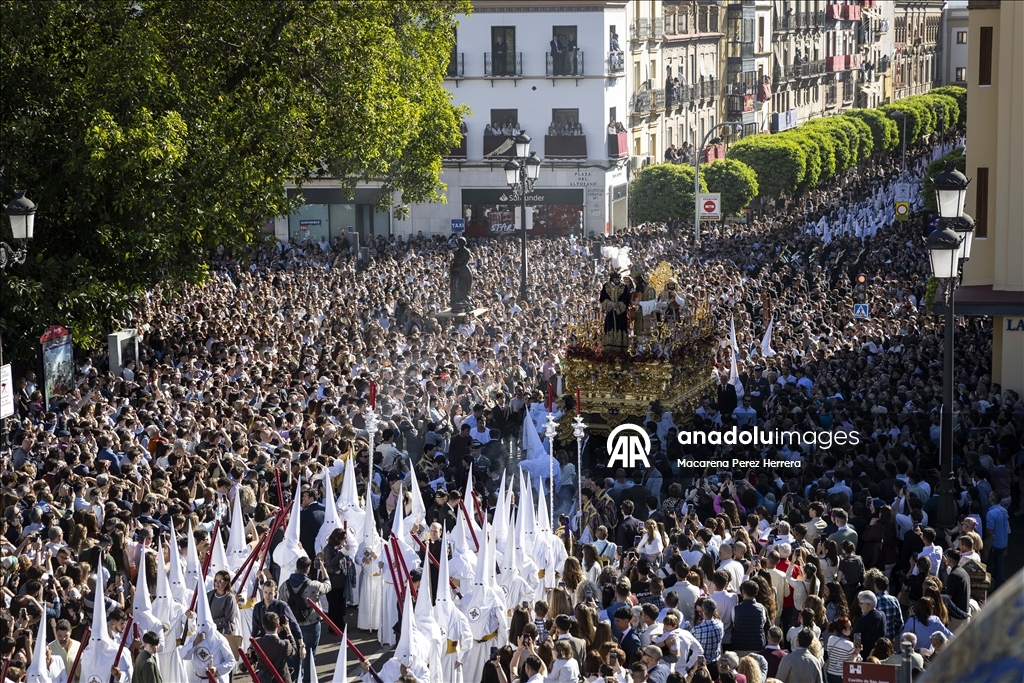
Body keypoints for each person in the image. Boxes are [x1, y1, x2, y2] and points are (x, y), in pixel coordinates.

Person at [279, 555, 332, 683]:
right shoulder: (313, 586)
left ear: (296, 568)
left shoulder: (284, 586)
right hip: (311, 625)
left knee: (293, 657)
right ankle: (308, 680)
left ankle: (295, 680)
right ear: (308, 569)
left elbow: (281, 605)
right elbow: (328, 585)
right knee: (309, 657)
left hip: (292, 627)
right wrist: (323, 568)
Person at [253, 612, 299, 683]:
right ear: (278, 625)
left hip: (264, 679)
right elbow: (294, 650)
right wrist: (289, 632)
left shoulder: (257, 642)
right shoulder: (285, 644)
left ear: (263, 626)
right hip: (282, 678)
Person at [983, 491, 1010, 589]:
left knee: (989, 563)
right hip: (1002, 542)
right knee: (999, 564)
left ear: (992, 499)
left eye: (989, 496)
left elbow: (989, 531)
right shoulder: (1003, 510)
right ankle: (1000, 582)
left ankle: (991, 582)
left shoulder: (990, 513)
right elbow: (1007, 528)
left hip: (994, 543)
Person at [852, 591, 886, 655]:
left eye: (860, 603)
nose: (859, 605)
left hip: (866, 657)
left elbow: (856, 643)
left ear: (867, 605)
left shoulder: (863, 621)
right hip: (880, 654)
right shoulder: (882, 615)